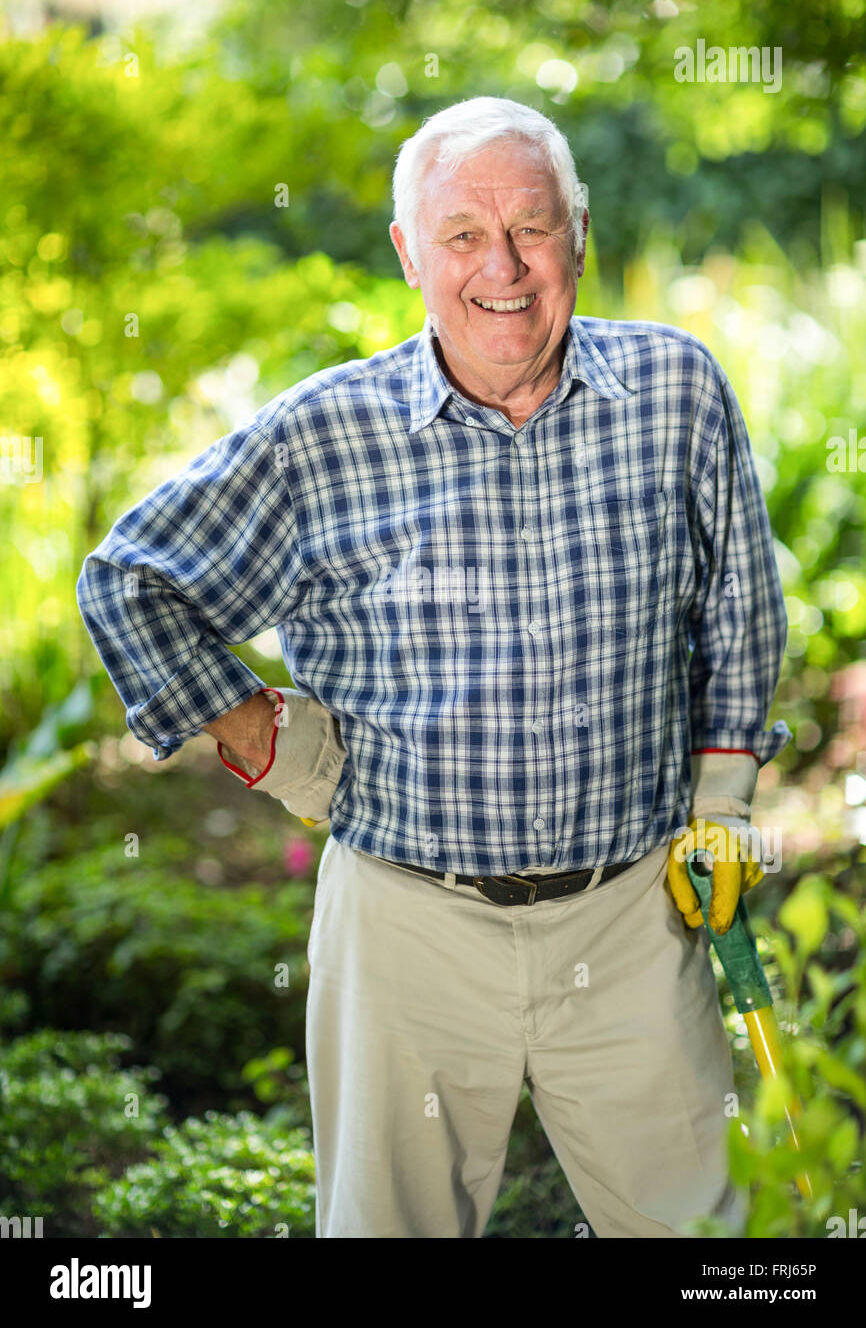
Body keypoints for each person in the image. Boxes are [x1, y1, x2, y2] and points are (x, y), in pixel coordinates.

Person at [77, 96, 791, 1239]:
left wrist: (722, 795)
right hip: (403, 926)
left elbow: (738, 601)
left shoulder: (673, 392)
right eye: (462, 234)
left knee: (713, 1247)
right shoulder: (324, 436)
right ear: (410, 253)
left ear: (579, 232)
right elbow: (128, 578)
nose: (502, 266)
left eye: (533, 227)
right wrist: (271, 743)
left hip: (632, 921)